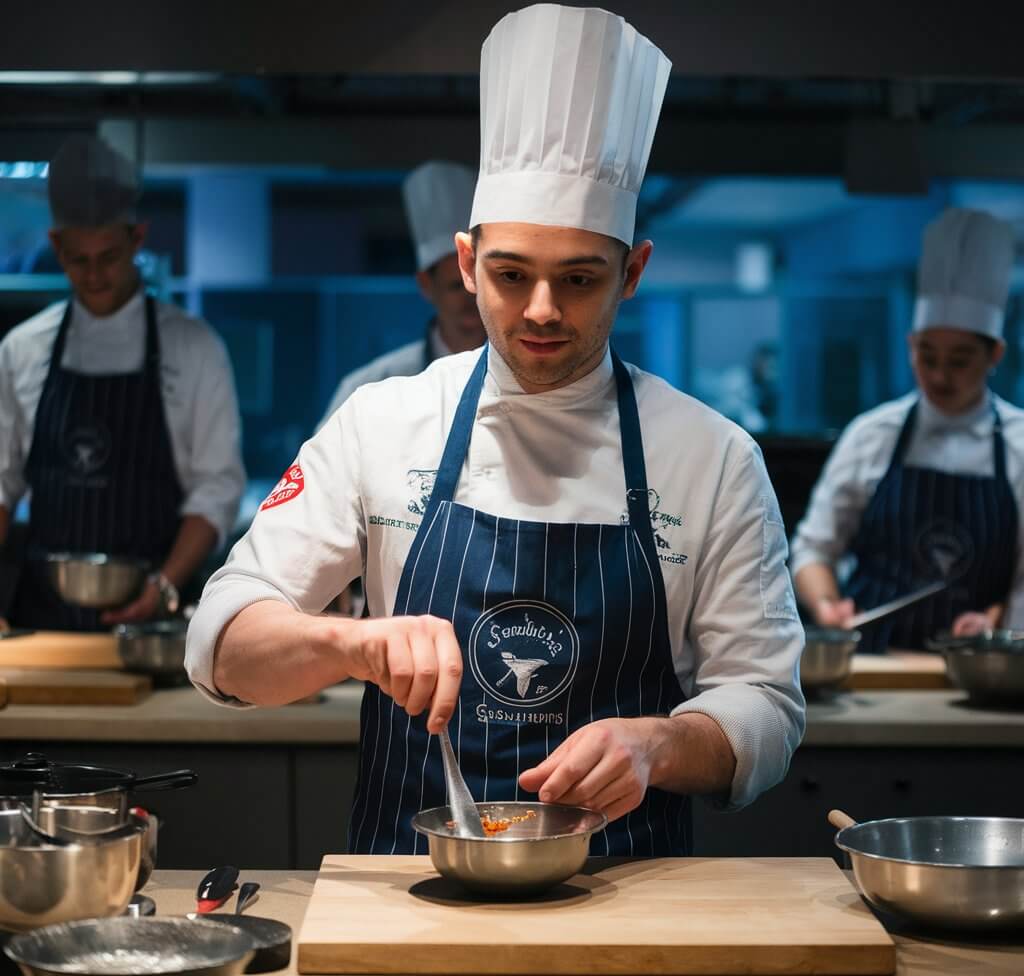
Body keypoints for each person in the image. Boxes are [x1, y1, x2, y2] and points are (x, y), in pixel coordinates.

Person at [186, 4, 804, 857]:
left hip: (630, 896)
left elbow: (767, 704)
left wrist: (656, 745)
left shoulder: (713, 457)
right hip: (407, 888)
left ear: (634, 272)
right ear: (467, 262)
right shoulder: (383, 424)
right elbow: (220, 641)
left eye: (580, 279)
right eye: (512, 275)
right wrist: (352, 642)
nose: (542, 312)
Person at [0, 135, 245, 631]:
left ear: (137, 238)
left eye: (109, 257)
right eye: (78, 259)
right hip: (42, 619)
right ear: (56, 247)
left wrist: (165, 586)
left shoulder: (195, 348)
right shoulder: (22, 350)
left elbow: (217, 488)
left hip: (152, 613)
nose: (94, 276)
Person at [792, 208, 1023, 651]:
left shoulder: (1019, 445)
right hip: (873, 665)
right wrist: (827, 605)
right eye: (926, 356)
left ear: (994, 355)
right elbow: (813, 549)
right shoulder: (872, 434)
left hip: (979, 667)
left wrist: (997, 618)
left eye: (959, 361)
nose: (938, 376)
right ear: (910, 346)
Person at [318, 161, 485, 428]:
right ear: (426, 285)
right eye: (456, 286)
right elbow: (316, 467)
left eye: (478, 284)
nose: (471, 299)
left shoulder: (524, 380)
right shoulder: (372, 385)